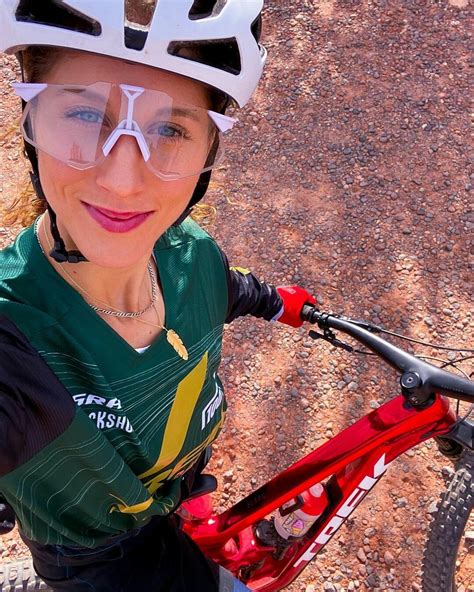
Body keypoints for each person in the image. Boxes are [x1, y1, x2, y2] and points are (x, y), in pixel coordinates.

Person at [0, 1, 316, 590]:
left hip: (180, 485)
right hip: (110, 567)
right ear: (30, 122)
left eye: (170, 128)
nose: (122, 180)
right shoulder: (13, 340)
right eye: (84, 114)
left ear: (207, 156)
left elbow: (228, 287)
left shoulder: (190, 253)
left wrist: (278, 302)